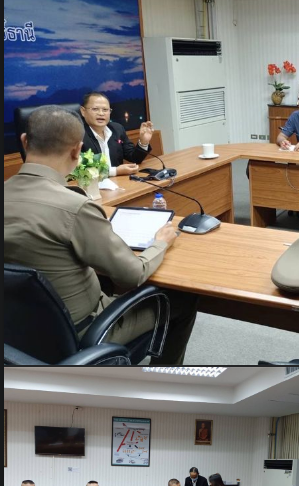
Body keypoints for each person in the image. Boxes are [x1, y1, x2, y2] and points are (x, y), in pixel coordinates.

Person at [4, 105, 199, 364]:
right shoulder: (75, 207)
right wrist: (160, 243)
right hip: (79, 332)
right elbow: (132, 275)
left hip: (17, 327)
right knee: (183, 299)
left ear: (24, 141)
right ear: (77, 150)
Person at [80, 91, 152, 176]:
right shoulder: (77, 135)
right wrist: (115, 171)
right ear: (83, 111)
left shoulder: (117, 129)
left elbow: (135, 158)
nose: (101, 113)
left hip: (118, 182)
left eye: (105, 110)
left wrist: (144, 142)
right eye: (95, 109)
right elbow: (77, 171)